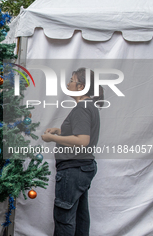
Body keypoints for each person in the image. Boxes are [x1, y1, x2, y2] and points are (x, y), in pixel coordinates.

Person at [41, 68, 103, 236]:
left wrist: (53, 139)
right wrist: (60, 132)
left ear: (81, 86)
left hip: (73, 170)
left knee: (64, 218)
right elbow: (80, 135)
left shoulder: (82, 107)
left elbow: (82, 141)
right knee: (80, 217)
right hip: (82, 169)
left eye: (71, 80)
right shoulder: (88, 105)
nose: (68, 83)